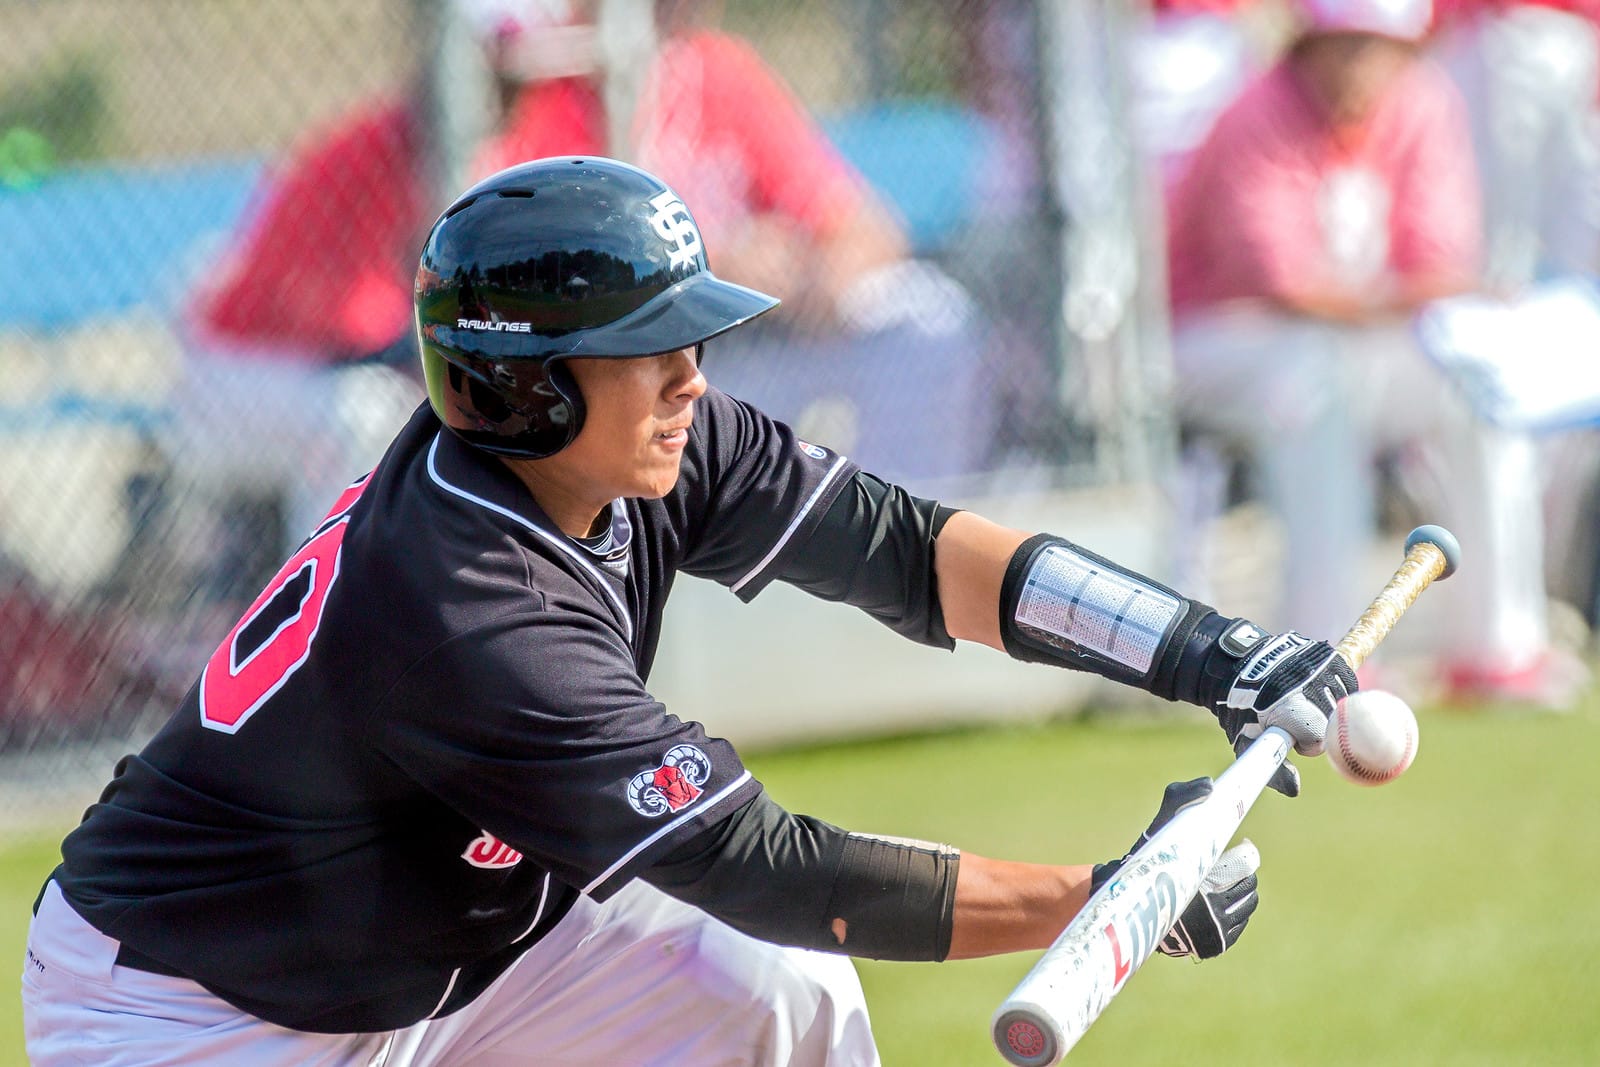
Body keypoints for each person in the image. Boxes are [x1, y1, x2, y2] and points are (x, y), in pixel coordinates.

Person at [21, 157, 1357, 1066]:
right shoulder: (474, 612)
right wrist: (1106, 897)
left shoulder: (644, 449)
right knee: (771, 929)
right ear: (529, 385)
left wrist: (1204, 648)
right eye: (645, 347)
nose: (691, 378)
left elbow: (911, 551)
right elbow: (770, 867)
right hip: (205, 1006)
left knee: (774, 991)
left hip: (456, 941)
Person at [1164, 0, 1573, 705]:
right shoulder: (1256, 112)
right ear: (1307, 45)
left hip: (1350, 340)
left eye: (1376, 45)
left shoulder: (1424, 103)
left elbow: (1437, 257)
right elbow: (1281, 284)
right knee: (1317, 382)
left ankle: (1499, 649)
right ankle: (1321, 648)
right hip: (1221, 339)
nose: (1358, 64)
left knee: (1477, 383)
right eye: (1342, 43)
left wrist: (1427, 296)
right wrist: (1415, 294)